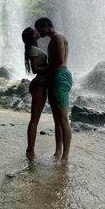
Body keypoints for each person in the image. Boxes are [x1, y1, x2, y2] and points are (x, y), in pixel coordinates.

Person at [35, 18, 72, 162]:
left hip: (60, 76)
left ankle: (65, 156)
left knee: (63, 119)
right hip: (55, 77)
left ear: (46, 26)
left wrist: (46, 75)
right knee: (57, 119)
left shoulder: (57, 37)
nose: (39, 32)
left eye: (40, 29)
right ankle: (58, 152)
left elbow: (60, 61)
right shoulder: (54, 39)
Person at [22, 27, 48, 160]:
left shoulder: (33, 48)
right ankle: (30, 150)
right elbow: (35, 69)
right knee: (34, 120)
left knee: (35, 119)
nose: (38, 31)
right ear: (32, 35)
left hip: (40, 85)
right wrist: (52, 66)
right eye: (35, 30)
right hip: (38, 86)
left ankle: (30, 150)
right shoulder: (32, 49)